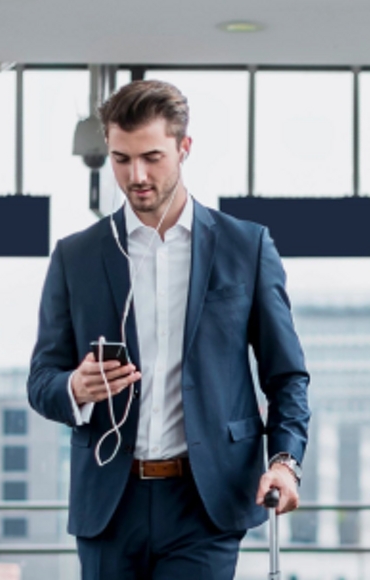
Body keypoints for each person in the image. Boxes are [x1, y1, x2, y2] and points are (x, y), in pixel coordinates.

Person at [28, 79, 310, 580]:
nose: (136, 175)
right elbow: (41, 381)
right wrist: (74, 387)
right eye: (120, 159)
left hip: (205, 503)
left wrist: (285, 462)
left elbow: (286, 376)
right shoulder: (76, 256)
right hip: (109, 504)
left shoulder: (246, 248)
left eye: (152, 157)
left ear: (184, 149)